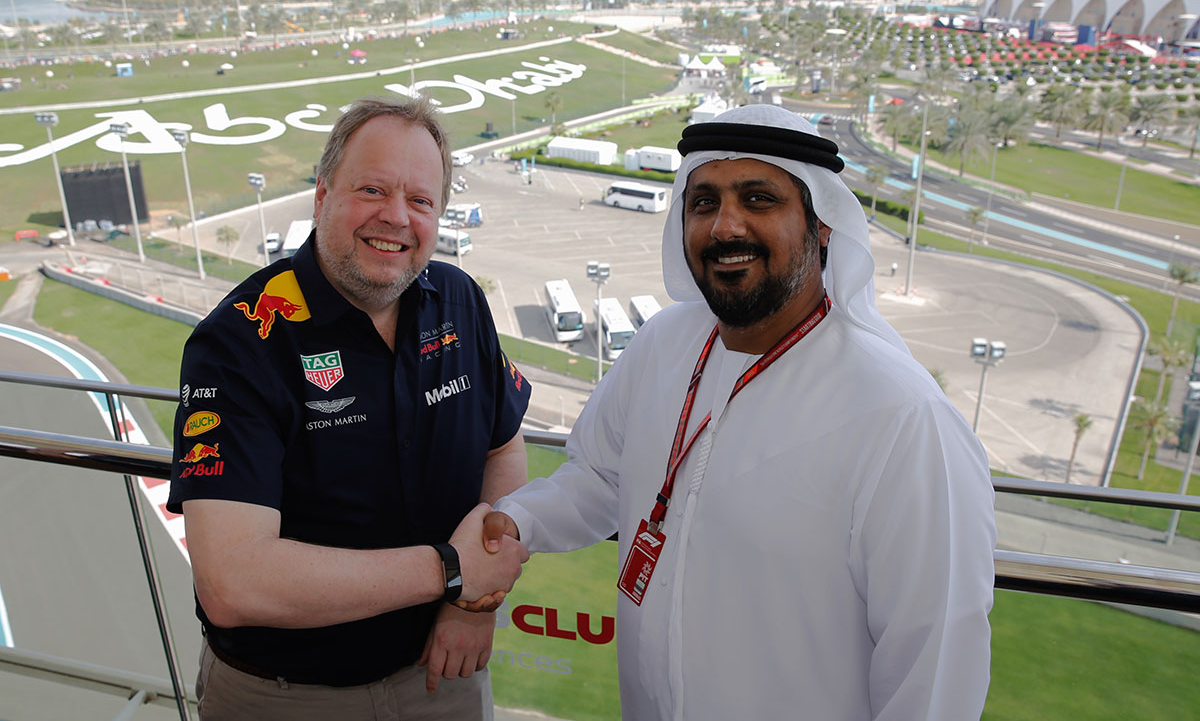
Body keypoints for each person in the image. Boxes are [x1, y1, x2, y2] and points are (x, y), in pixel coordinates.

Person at [479, 104, 996, 719]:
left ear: (822, 223)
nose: (725, 226)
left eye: (758, 199)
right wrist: (516, 522)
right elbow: (600, 477)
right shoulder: (663, 343)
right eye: (704, 203)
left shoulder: (903, 418)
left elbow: (933, 673)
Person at [167, 96, 531, 719]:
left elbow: (503, 447)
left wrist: (474, 604)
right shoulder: (240, 341)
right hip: (285, 696)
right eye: (372, 190)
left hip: (443, 676)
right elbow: (233, 581)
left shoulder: (460, 302)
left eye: (420, 201)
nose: (396, 217)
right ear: (322, 193)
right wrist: (450, 571)